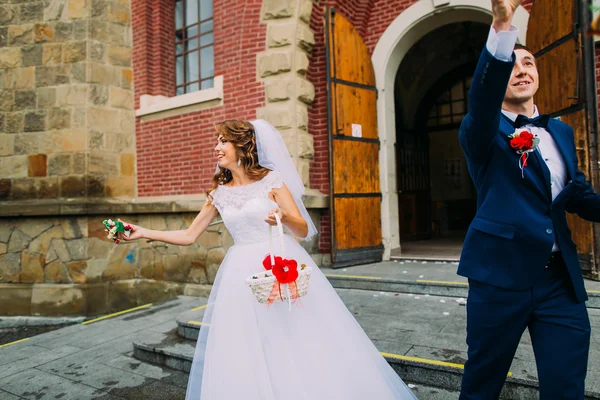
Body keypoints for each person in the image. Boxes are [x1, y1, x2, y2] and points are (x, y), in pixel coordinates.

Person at [118, 119, 418, 399]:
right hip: (240, 274)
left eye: (223, 141)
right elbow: (188, 235)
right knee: (248, 343)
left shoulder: (271, 181)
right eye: (216, 141)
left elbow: (301, 229)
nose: (216, 147)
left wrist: (284, 216)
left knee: (293, 333)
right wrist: (142, 231)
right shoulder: (218, 194)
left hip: (278, 262)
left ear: (243, 146)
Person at [457, 0, 600, 398]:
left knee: (566, 386)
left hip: (559, 280)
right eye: (514, 64)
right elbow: (482, 101)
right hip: (500, 278)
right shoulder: (481, 133)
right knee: (482, 384)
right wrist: (503, 24)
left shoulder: (561, 131)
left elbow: (578, 196)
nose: (523, 70)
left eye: (530, 63)